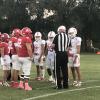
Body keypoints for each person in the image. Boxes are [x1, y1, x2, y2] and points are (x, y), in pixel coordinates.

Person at [52, 25, 70, 89]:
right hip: (65, 54)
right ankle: (66, 85)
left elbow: (53, 46)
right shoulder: (68, 36)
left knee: (57, 70)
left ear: (59, 30)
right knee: (65, 69)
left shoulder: (57, 36)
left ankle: (59, 85)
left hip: (58, 54)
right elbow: (68, 47)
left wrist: (51, 47)